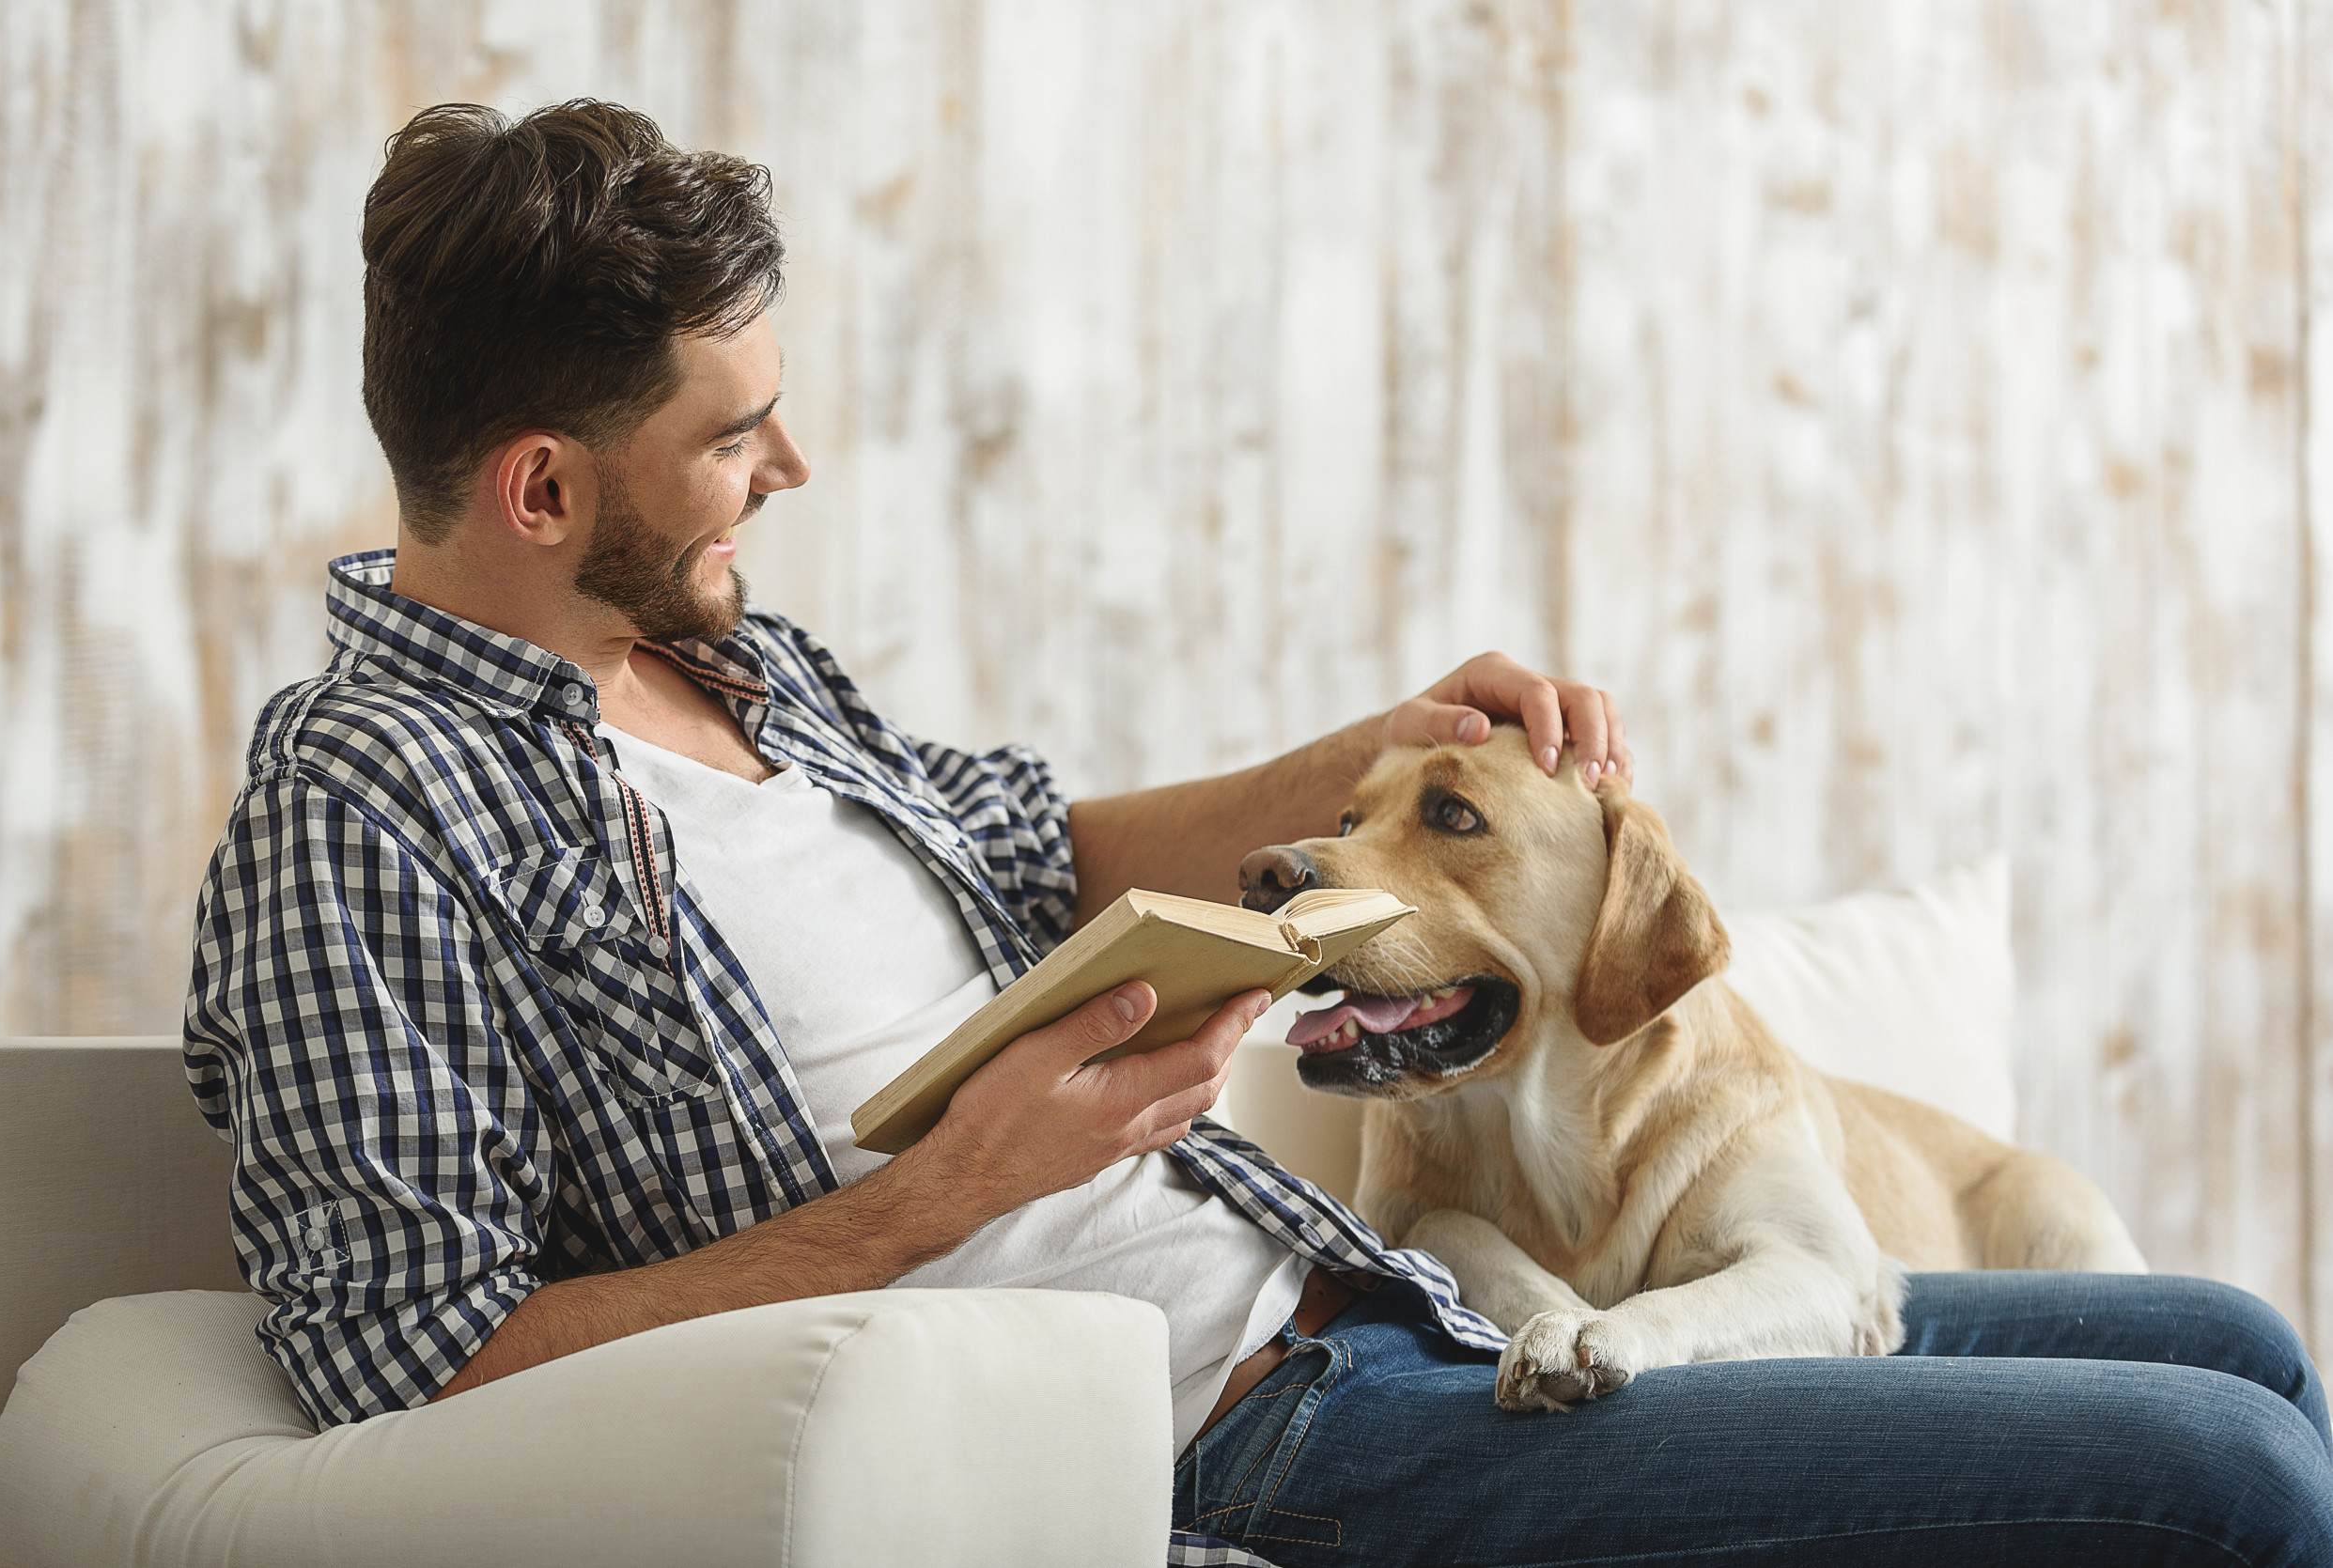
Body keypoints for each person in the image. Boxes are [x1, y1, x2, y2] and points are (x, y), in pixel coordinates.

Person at [183, 100, 2333, 1567]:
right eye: (734, 435)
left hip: (1380, 1302)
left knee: (2241, 1344)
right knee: (2226, 1478)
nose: (795, 464)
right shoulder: (364, 804)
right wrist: (937, 1198)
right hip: (1237, 1419)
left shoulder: (742, 670)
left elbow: (1033, 840)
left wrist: (1371, 753)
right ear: (542, 490)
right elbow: (414, 1357)